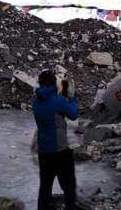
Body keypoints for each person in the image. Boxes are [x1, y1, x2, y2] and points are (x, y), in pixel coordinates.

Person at [32, 69, 86, 210]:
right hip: (60, 150)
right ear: (53, 83)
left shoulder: (35, 100)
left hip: (43, 150)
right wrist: (72, 97)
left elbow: (51, 105)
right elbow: (73, 115)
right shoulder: (58, 100)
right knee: (69, 185)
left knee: (45, 187)